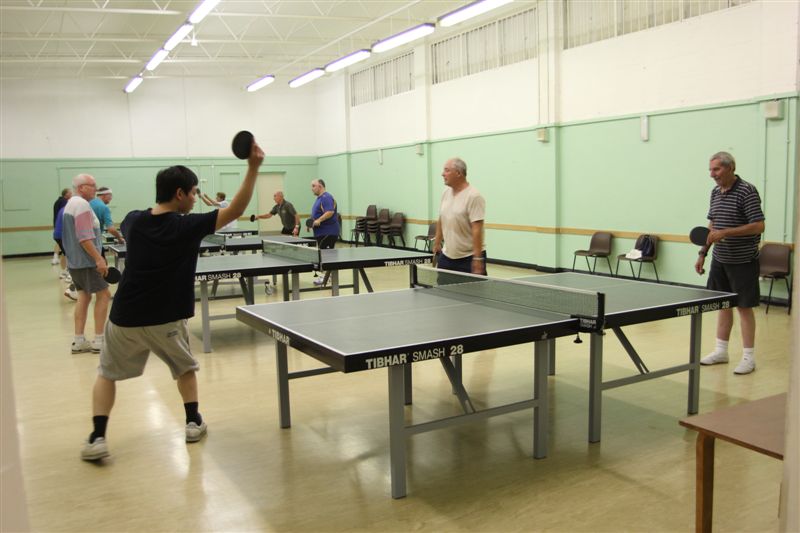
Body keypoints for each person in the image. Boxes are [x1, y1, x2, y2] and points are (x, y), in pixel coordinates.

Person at [79, 143, 264, 462]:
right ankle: (193, 422)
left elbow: (128, 226)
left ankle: (97, 437)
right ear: (180, 193)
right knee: (185, 369)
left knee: (106, 373)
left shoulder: (133, 221)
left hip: (125, 318)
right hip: (167, 318)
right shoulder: (186, 226)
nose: (195, 198)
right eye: (193, 193)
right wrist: (253, 167)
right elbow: (233, 211)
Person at [696, 151, 765, 375]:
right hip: (720, 259)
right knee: (723, 305)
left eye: (716, 169)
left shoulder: (747, 191)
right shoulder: (715, 192)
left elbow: (758, 225)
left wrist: (727, 233)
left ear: (730, 167)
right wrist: (703, 253)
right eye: (710, 170)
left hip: (743, 260)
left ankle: (748, 358)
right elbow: (712, 224)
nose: (712, 174)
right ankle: (721, 351)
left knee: (744, 308)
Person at [62, 174, 111, 354]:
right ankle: (99, 340)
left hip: (75, 262)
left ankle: (79, 340)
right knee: (104, 295)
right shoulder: (82, 205)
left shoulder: (70, 204)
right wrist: (98, 258)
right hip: (87, 262)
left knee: (84, 296)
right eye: (92, 185)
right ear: (82, 187)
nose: (95, 188)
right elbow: (84, 237)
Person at [432, 157, 487, 275]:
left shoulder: (474, 196)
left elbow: (477, 229)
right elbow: (441, 218)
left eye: (447, 170)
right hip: (446, 257)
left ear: (458, 173)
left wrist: (477, 259)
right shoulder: (445, 193)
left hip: (469, 258)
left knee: (471, 293)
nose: (442, 174)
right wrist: (437, 242)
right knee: (441, 293)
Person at [309, 179, 339, 285]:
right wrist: (311, 223)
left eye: (313, 186)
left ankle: (327, 277)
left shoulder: (326, 197)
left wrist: (319, 220)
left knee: (326, 255)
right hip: (321, 232)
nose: (311, 188)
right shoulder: (319, 199)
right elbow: (317, 214)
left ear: (320, 186)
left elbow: (330, 212)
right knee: (323, 255)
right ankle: (327, 276)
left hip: (328, 232)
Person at [53, 204, 78, 301]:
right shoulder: (70, 209)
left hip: (57, 234)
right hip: (63, 234)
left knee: (66, 254)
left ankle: (64, 273)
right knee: (72, 255)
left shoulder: (64, 208)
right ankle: (69, 276)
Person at [52, 188, 72, 265]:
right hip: (62, 229)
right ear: (66, 194)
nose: (71, 194)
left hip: (57, 228)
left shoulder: (57, 201)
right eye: (70, 193)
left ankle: (55, 257)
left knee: (64, 249)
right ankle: (66, 270)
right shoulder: (64, 203)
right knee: (67, 252)